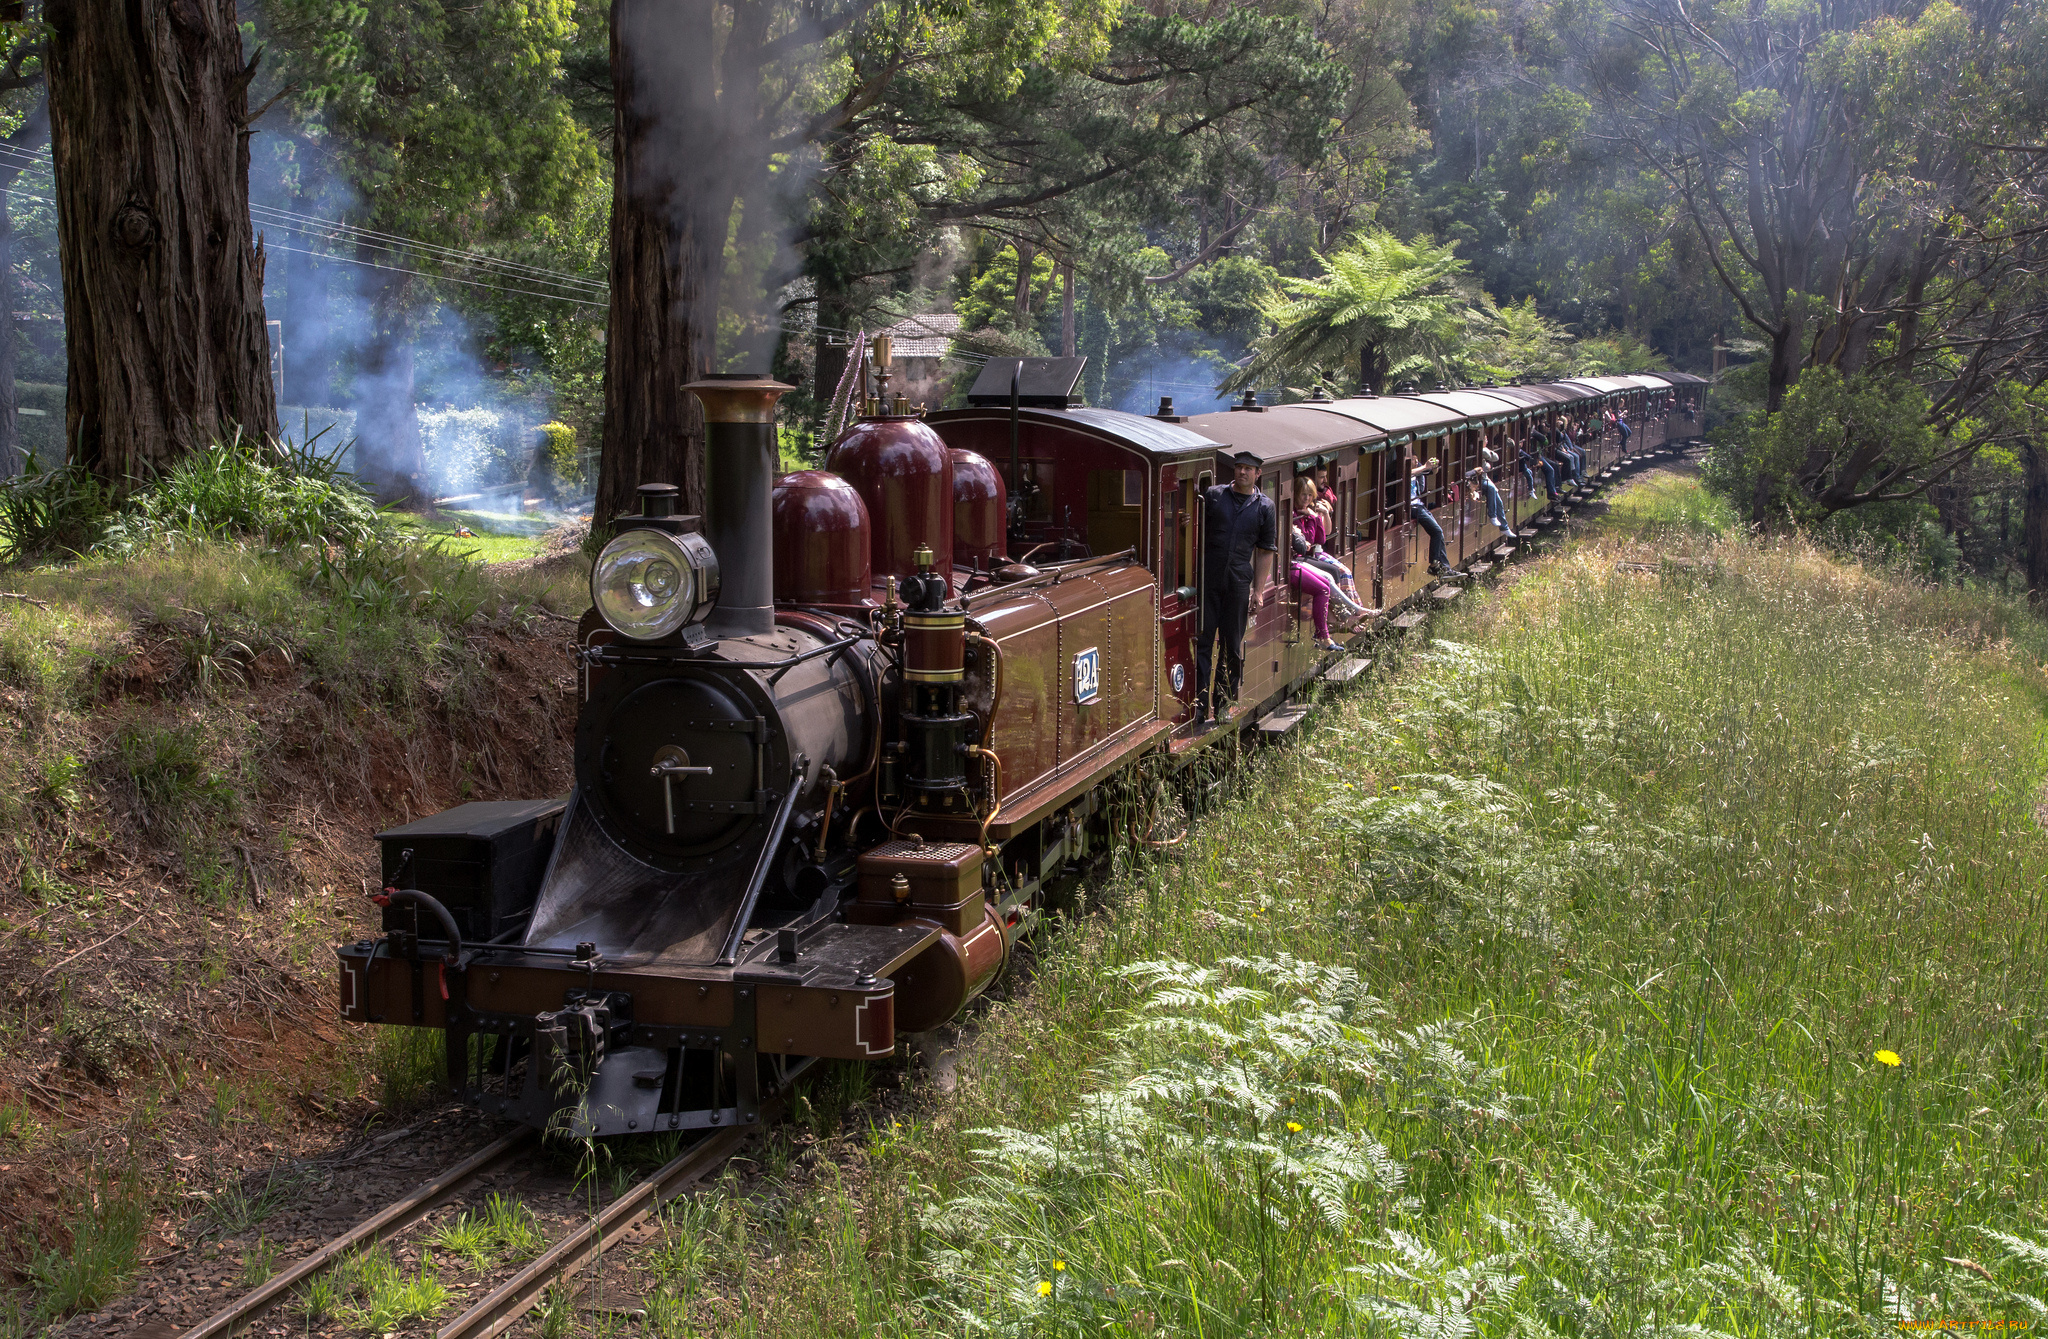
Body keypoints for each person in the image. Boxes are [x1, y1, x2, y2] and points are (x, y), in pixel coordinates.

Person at [1194, 450, 1277, 724]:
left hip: (1239, 582)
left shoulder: (1265, 507)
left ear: (1257, 474)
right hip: (1208, 581)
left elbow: (1265, 551)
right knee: (1203, 642)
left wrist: (1259, 591)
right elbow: (1195, 530)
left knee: (1231, 646)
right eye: (1239, 467)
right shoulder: (1214, 496)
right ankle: (1198, 706)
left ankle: (1223, 705)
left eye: (1247, 469)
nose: (1242, 472)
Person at [1294, 479, 1370, 614]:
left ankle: (1351, 611)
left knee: (1342, 571)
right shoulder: (1295, 514)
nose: (1307, 498)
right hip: (1299, 557)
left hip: (1309, 554)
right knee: (1334, 572)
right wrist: (1313, 518)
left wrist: (1317, 517)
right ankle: (1343, 613)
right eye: (1303, 494)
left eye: (1310, 495)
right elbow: (1309, 540)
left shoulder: (1307, 512)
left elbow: (1321, 538)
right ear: (1296, 494)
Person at [1407, 453, 1452, 576]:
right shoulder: (1404, 471)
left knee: (1438, 532)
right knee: (1437, 531)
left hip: (1418, 505)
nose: (1417, 462)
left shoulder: (1418, 470)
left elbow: (1432, 472)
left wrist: (1434, 467)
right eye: (1414, 460)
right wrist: (1425, 467)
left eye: (1417, 460)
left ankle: (1445, 568)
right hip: (1412, 507)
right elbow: (1407, 473)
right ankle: (1434, 566)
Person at [1469, 445, 1515, 538]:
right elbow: (1486, 461)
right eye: (1485, 440)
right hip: (1474, 480)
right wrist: (1486, 451)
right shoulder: (1474, 448)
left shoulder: (1485, 450)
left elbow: (1496, 458)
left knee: (1499, 501)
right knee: (1492, 488)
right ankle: (1493, 516)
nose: (1487, 442)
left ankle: (1504, 527)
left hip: (1484, 478)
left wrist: (1488, 452)